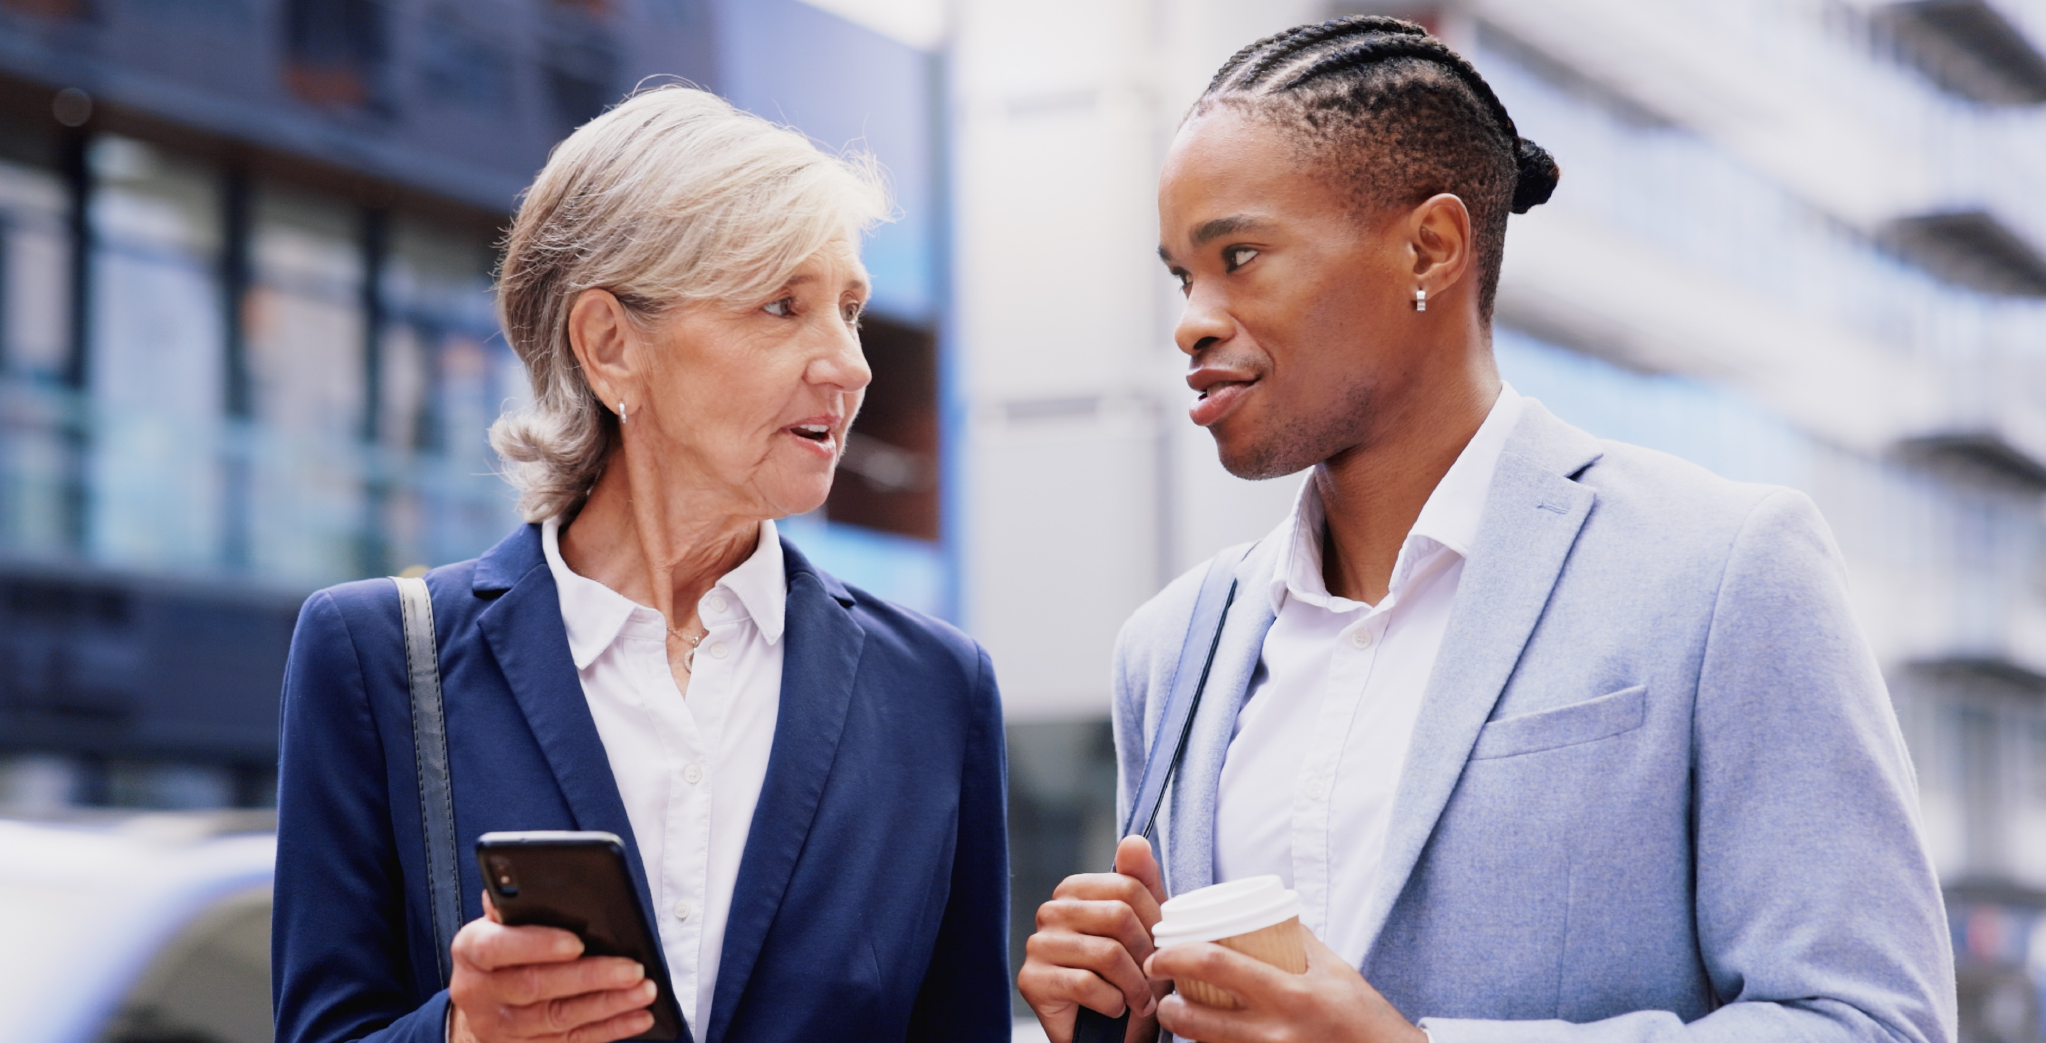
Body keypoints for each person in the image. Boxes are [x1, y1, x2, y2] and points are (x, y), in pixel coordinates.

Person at [1019, 17, 1954, 1043]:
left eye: (1238, 256)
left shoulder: (1723, 567)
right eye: (1181, 276)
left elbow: (1870, 1021)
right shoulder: (1172, 646)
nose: (1191, 319)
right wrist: (1119, 1021)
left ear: (1430, 246)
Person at [273, 87, 1011, 1043]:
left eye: (851, 308)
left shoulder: (936, 691)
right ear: (610, 345)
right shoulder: (374, 657)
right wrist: (463, 1034)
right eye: (782, 304)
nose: (850, 363)